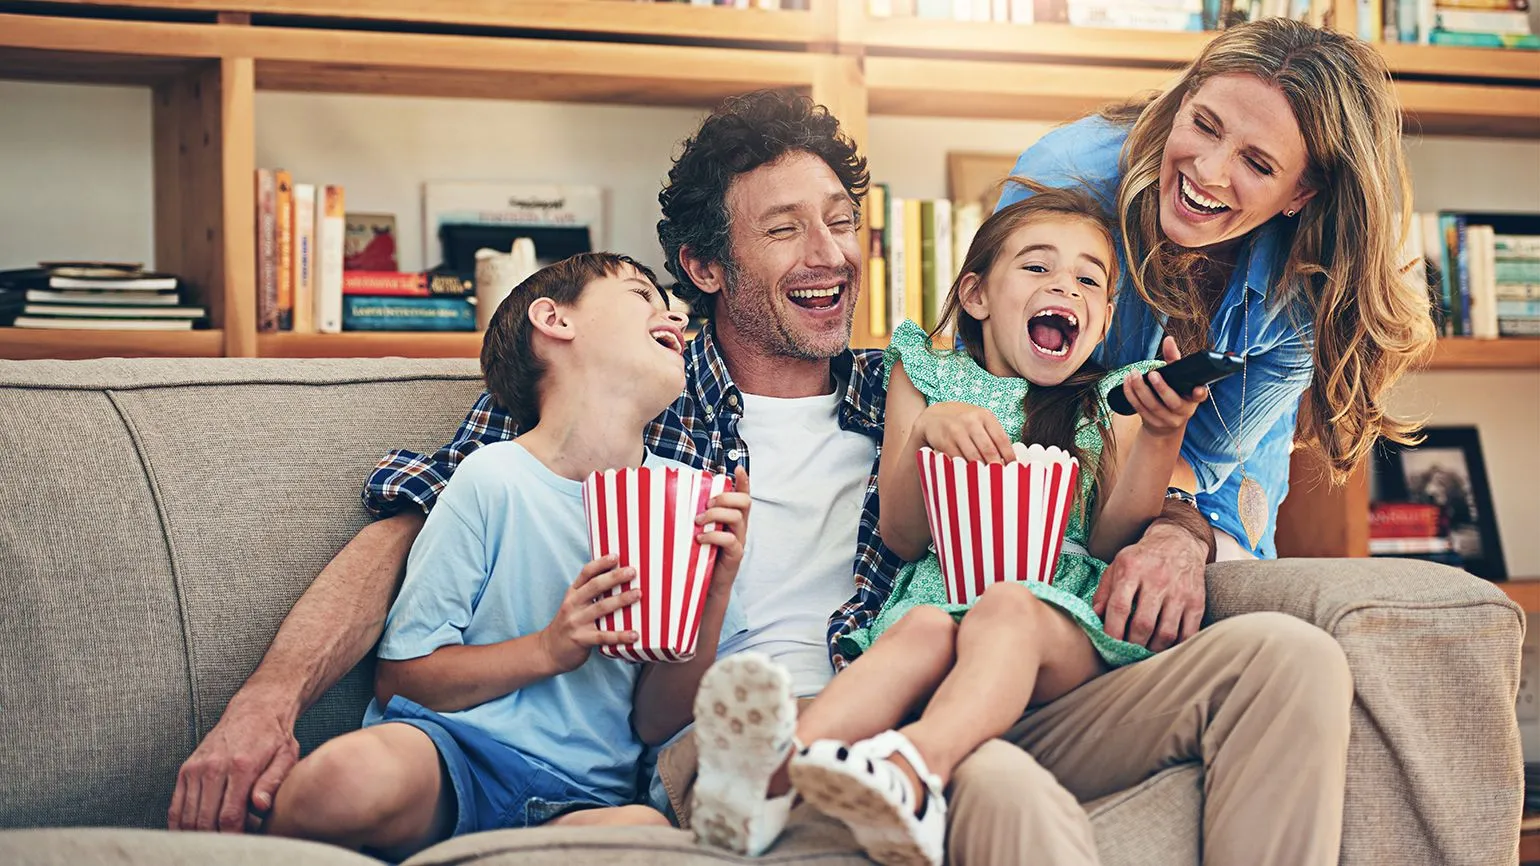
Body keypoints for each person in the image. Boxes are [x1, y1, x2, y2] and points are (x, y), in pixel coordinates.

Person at [173, 84, 1351, 866]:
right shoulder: (637, 388)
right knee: (1002, 797)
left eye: (841, 220)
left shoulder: (915, 379)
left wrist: (1184, 515)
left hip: (913, 695)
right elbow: (417, 517)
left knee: (1290, 652)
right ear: (699, 263)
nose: (829, 252)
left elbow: (1084, 437)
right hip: (722, 737)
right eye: (783, 229)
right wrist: (270, 695)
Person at [694, 184, 1206, 866]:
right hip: (939, 604)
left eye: (1090, 278)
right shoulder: (927, 375)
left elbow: (1113, 539)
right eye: (1037, 267)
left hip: (1055, 625)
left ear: (1106, 316)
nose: (1067, 286)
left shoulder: (1114, 400)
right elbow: (904, 536)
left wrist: (1161, 436)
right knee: (923, 629)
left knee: (1004, 610)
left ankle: (912, 774)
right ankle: (764, 780)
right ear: (976, 296)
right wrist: (927, 433)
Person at [261, 253, 751, 858]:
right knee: (343, 781)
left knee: (647, 841)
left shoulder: (691, 499)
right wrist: (549, 649)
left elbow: (654, 724)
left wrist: (716, 589)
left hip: (585, 794)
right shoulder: (492, 479)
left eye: (669, 303)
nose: (673, 312)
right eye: (640, 294)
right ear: (554, 320)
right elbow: (400, 679)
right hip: (453, 755)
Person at [996, 16, 1436, 652]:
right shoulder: (1065, 176)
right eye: (1204, 124)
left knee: (1225, 615)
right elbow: (996, 372)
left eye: (1257, 163)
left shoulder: (1305, 293)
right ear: (1184, 98)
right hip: (1047, 449)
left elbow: (1206, 461)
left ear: (1300, 192)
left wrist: (1176, 531)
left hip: (1205, 482)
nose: (1207, 170)